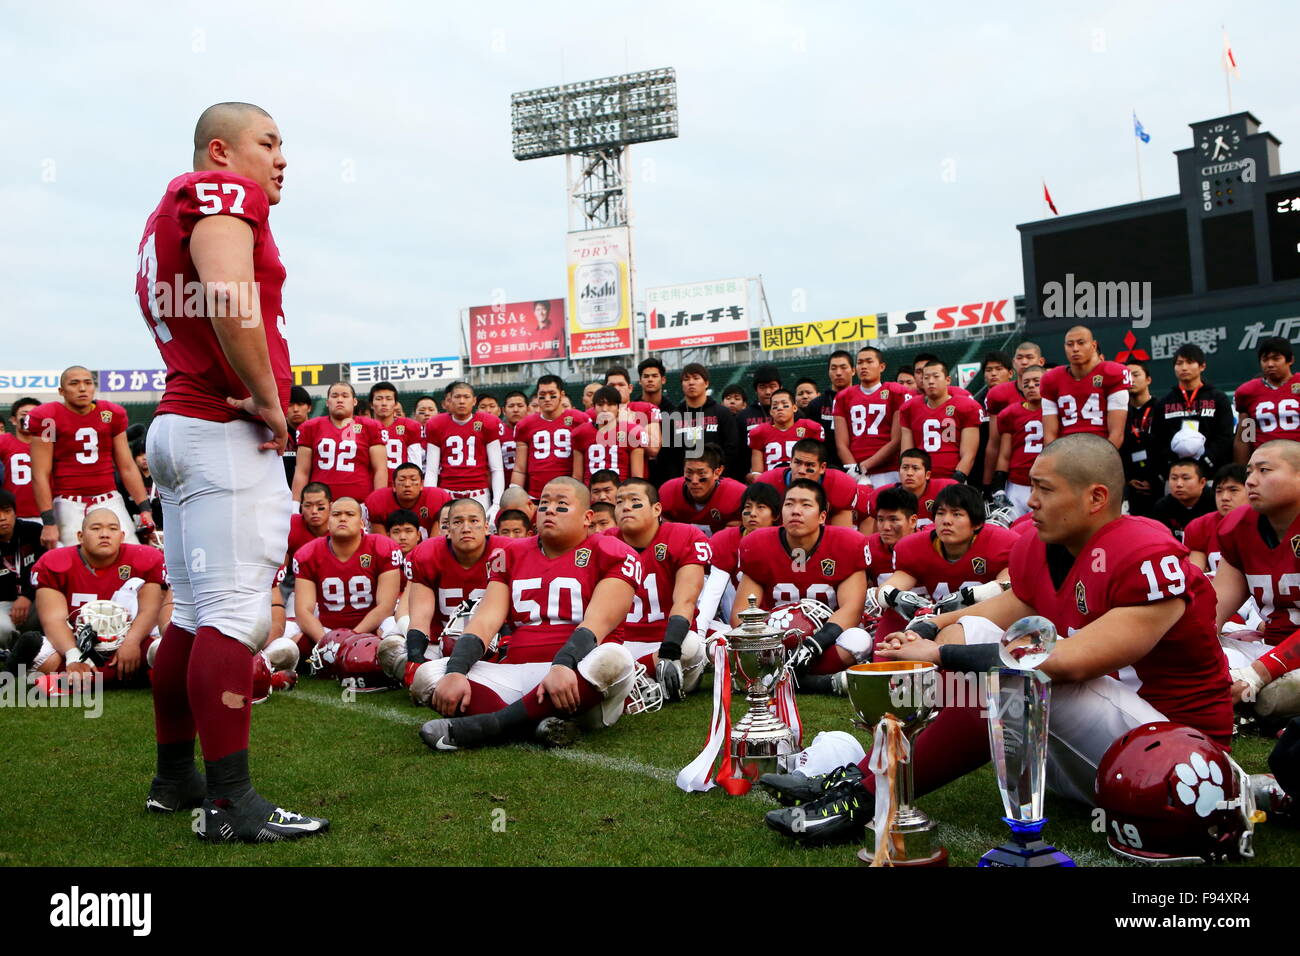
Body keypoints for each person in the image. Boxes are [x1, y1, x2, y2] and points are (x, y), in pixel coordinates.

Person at [764, 434, 1231, 843]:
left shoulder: (1145, 552)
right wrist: (931, 626)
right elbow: (1010, 608)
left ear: (1095, 498)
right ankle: (870, 772)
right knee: (972, 633)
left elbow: (1070, 662)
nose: (1031, 501)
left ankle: (868, 794)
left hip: (1173, 758)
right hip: (1082, 749)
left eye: (1046, 490)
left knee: (1008, 677)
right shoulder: (1041, 545)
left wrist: (942, 652)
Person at [136, 101, 327, 841]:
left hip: (180, 422)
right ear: (221, 151)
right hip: (221, 425)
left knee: (189, 610)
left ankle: (174, 776)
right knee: (237, 613)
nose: (282, 159)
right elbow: (224, 291)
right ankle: (228, 803)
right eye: (269, 143)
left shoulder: (165, 211)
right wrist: (272, 401)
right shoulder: (220, 192)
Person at [416, 478, 644, 751]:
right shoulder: (511, 553)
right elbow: (486, 620)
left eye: (561, 505)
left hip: (578, 676)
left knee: (615, 658)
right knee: (428, 675)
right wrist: (455, 670)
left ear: (587, 517)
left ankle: (488, 727)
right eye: (544, 503)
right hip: (518, 672)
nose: (549, 510)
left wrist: (562, 665)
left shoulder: (611, 551)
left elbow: (598, 624)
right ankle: (538, 722)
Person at [733, 479, 870, 691]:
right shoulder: (757, 544)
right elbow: (741, 614)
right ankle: (821, 683)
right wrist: (767, 645)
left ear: (823, 516)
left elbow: (852, 610)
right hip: (774, 643)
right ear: (781, 512)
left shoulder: (847, 543)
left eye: (806, 505)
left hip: (825, 642)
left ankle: (774, 681)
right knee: (718, 647)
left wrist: (814, 645)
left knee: (858, 641)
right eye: (789, 504)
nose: (796, 511)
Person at [14, 509, 163, 684]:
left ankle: (69, 681)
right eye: (96, 528)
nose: (105, 534)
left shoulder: (144, 557)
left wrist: (132, 642)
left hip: (131, 639)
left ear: (122, 536)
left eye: (113, 529)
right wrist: (73, 655)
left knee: (161, 649)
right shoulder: (53, 562)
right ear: (80, 536)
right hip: (75, 641)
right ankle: (126, 676)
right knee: (42, 655)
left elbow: (150, 610)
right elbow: (53, 619)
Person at [868, 484, 1016, 641]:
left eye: (957, 514)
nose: (946, 521)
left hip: (982, 624)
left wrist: (971, 595)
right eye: (940, 513)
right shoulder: (915, 546)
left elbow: (1008, 584)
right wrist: (897, 597)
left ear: (977, 523)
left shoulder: (999, 542)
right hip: (931, 622)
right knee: (894, 613)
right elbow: (887, 588)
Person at [27, 367, 153, 549]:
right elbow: (40, 473)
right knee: (74, 561)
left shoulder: (111, 414)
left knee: (130, 553)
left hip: (109, 499)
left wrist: (145, 509)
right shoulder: (48, 418)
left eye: (88, 383)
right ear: (61, 391)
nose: (82, 388)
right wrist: (48, 521)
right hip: (68, 502)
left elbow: (127, 466)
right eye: (74, 383)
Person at [609, 478, 710, 699]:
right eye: (619, 502)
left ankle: (628, 684)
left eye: (635, 501)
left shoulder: (685, 536)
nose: (625, 507)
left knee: (692, 646)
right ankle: (643, 683)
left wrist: (670, 649)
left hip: (666, 639)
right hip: (620, 642)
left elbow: (686, 600)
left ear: (657, 509)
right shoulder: (604, 543)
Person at [396, 498, 510, 667]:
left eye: (473, 521)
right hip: (440, 643)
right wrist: (415, 658)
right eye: (457, 522)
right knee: (391, 649)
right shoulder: (428, 553)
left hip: (494, 640)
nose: (466, 528)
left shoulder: (506, 552)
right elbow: (420, 619)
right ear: (447, 529)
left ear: (486, 527)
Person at [292, 496, 403, 656]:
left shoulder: (381, 547)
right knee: (290, 638)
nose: (342, 518)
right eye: (336, 514)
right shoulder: (309, 553)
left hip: (373, 627)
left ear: (362, 523)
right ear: (328, 522)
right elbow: (303, 611)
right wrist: (325, 641)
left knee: (394, 629)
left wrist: (351, 640)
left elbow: (385, 607)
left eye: (350, 514)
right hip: (326, 629)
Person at [696, 482, 781, 633]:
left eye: (761, 507)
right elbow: (713, 592)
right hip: (739, 618)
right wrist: (700, 633)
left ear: (775, 515)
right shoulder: (726, 540)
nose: (752, 513)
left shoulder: (788, 541)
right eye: (747, 507)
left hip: (782, 616)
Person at [1147, 345, 1235, 486]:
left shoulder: (1218, 398)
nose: (1184, 368)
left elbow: (1224, 436)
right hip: (1176, 476)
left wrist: (1205, 462)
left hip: (1212, 475)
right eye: (1179, 363)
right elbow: (1157, 439)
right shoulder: (1164, 402)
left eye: (1189, 362)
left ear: (1202, 366)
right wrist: (1172, 464)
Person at [292, 381, 386, 504]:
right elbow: (302, 471)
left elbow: (380, 469)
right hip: (320, 505)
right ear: (327, 402)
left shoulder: (371, 427)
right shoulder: (310, 427)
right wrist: (296, 504)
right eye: (334, 396)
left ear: (354, 401)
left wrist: (378, 502)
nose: (339, 400)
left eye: (345, 396)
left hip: (360, 503)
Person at [1039, 326, 1129, 448]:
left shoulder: (1113, 373)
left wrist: (1102, 460)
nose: (1075, 349)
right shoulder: (1051, 379)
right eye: (1070, 344)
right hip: (1066, 452)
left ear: (1094, 345)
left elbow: (1117, 434)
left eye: (1081, 343)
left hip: (1102, 449)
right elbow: (1049, 436)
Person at [424, 380, 505, 511]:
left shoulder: (487, 422)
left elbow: (497, 469)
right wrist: (431, 498)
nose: (462, 401)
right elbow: (431, 470)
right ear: (449, 400)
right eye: (457, 397)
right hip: (447, 493)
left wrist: (497, 503)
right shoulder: (437, 424)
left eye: (466, 397)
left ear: (474, 401)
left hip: (479, 494)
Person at [898, 359, 981, 482]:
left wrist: (957, 479)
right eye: (926, 378)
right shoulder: (909, 408)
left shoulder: (966, 406)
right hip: (920, 480)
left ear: (947, 380)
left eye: (936, 376)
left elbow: (969, 454)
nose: (931, 381)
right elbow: (906, 453)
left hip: (953, 477)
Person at [834, 346, 904, 487]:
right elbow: (841, 444)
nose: (863, 366)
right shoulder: (843, 397)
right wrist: (855, 471)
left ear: (882, 366)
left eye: (869, 361)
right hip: (855, 471)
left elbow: (896, 440)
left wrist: (863, 467)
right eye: (860, 363)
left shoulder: (895, 392)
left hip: (888, 470)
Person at [512, 375, 587, 501]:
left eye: (552, 394)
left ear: (561, 395)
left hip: (569, 493)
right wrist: (514, 492)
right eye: (542, 395)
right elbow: (520, 468)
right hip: (537, 494)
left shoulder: (580, 420)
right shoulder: (525, 425)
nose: (547, 399)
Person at [753, 438, 857, 526]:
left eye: (810, 465)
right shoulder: (767, 482)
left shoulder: (839, 484)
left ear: (822, 467)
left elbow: (839, 535)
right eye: (797, 463)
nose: (801, 471)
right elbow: (758, 533)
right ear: (790, 462)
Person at [667, 363, 742, 482]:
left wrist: (718, 476)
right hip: (684, 482)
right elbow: (668, 456)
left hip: (717, 480)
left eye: (696, 378)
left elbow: (731, 450)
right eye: (686, 379)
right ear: (682, 385)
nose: (691, 382)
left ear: (706, 383)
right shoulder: (672, 417)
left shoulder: (722, 413)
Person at [981, 342, 1041, 486]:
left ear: (1041, 361)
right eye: (1020, 358)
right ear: (1014, 363)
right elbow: (994, 443)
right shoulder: (998, 394)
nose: (1024, 362)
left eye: (1029, 357)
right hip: (1014, 473)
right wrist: (988, 483)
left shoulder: (1053, 387)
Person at [1233, 336, 1300, 463]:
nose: (1270, 364)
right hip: (1266, 463)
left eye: (1276, 359)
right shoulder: (1249, 392)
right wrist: (1242, 473)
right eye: (1265, 359)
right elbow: (1245, 438)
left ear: (1290, 360)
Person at [859, 448, 956, 534]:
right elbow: (878, 536)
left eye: (915, 468)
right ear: (899, 471)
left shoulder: (946, 489)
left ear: (927, 475)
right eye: (905, 468)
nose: (909, 473)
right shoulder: (883, 494)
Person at [991, 365, 1045, 516]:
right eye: (1026, 383)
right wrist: (998, 487)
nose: (1031, 386)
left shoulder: (1054, 409)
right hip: (1017, 483)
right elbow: (1004, 454)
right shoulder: (1011, 413)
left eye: (1036, 382)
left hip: (1045, 481)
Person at [658, 444, 746, 533]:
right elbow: (667, 537)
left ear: (717, 472)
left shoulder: (735, 494)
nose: (694, 480)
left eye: (701, 473)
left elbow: (732, 540)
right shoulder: (669, 492)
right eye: (689, 473)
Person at [571, 386, 646, 483]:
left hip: (620, 493)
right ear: (593, 407)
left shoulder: (631, 433)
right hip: (591, 493)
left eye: (610, 404)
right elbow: (577, 477)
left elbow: (637, 477)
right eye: (600, 405)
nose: (605, 409)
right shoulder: (581, 433)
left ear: (618, 407)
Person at [0, 489, 44, 651]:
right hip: (3, 604)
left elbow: (46, 571)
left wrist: (27, 596)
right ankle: (12, 652)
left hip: (35, 598)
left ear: (14, 512)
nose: (2, 517)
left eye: (7, 511)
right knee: (1, 629)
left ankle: (48, 646)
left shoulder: (33, 531)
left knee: (58, 605)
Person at [1184, 464, 1248, 574]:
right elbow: (1195, 574)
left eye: (1233, 490)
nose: (1224, 497)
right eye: (1219, 491)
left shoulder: (1268, 521)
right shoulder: (1200, 526)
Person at [748, 389, 824, 476]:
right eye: (775, 407)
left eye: (785, 405)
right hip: (770, 482)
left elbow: (815, 464)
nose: (780, 408)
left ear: (794, 408)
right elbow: (757, 473)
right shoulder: (760, 432)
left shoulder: (809, 428)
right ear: (771, 412)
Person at [364, 462, 452, 537]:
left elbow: (436, 544)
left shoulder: (437, 498)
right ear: (393, 486)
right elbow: (383, 545)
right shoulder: (379, 500)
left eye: (413, 479)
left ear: (421, 484)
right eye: (402, 480)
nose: (407, 484)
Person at [800, 350, 855, 469]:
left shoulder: (863, 400)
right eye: (833, 368)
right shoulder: (816, 405)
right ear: (828, 372)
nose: (838, 373)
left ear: (853, 370)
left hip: (860, 463)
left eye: (843, 367)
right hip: (827, 468)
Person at [1120, 359, 1160, 517]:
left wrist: (1157, 479)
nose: (1131, 380)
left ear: (1148, 379)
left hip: (1158, 481)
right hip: (1130, 483)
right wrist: (1127, 479)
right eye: (1127, 376)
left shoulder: (1161, 407)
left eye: (1135, 375)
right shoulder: (1119, 411)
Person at [368, 381, 425, 483]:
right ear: (371, 404)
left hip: (401, 485)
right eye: (379, 399)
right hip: (371, 484)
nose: (384, 403)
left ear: (395, 404)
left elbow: (415, 465)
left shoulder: (409, 426)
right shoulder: (365, 428)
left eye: (389, 399)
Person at [604, 366, 662, 465]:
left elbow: (654, 449)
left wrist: (629, 425)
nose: (616, 389)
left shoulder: (646, 409)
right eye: (612, 385)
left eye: (621, 385)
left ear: (630, 388)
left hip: (635, 476)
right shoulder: (594, 413)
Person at [1151, 458, 1216, 541]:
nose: (1179, 484)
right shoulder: (1162, 507)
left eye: (1185, 478)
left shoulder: (1215, 502)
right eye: (1174, 478)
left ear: (1202, 482)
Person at [1, 397, 40, 526]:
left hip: (48, 513)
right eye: (24, 414)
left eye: (35, 414)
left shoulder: (51, 442)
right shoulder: (5, 441)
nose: (29, 418)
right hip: (15, 514)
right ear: (13, 420)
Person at [736, 364, 782, 443]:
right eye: (762, 387)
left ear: (780, 388)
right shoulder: (742, 417)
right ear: (755, 390)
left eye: (772, 386)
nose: (768, 392)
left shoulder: (793, 414)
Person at [282, 385, 313, 486]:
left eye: (300, 404)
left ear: (309, 407)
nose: (295, 409)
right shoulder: (276, 433)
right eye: (290, 405)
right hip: (283, 492)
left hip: (313, 495)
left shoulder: (319, 432)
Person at [499, 390, 528, 476]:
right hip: (503, 486)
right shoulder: (497, 432)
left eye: (520, 406)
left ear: (528, 408)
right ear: (504, 410)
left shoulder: (536, 430)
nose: (515, 410)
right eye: (511, 406)